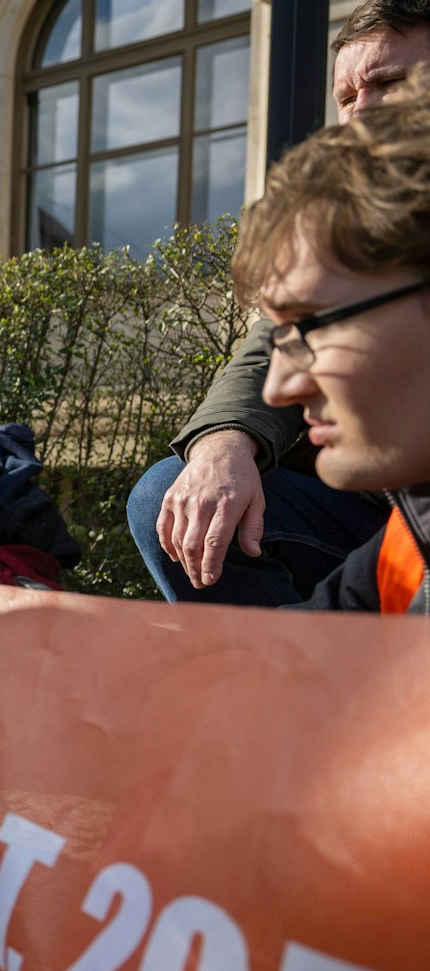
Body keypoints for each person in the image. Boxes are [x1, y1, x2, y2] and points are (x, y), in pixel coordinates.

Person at [0, 80, 430, 630]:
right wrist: (7, 611)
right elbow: (282, 657)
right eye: (281, 336)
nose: (279, 388)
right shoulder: (406, 544)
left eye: (315, 326)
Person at [125, 0, 429, 605]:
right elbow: (267, 346)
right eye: (346, 98)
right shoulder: (347, 215)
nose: (361, 113)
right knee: (177, 495)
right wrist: (226, 438)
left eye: (389, 83)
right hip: (393, 521)